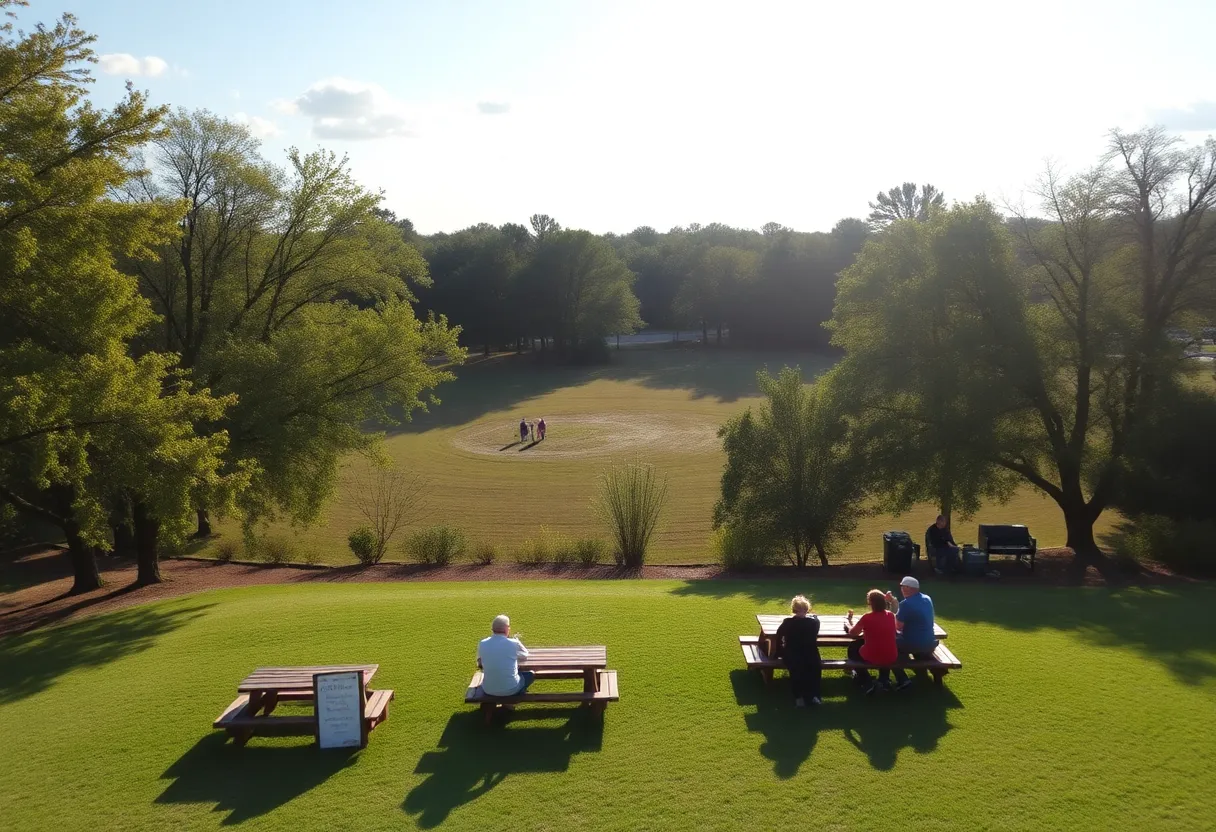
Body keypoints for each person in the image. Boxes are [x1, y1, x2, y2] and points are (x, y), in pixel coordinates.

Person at [883, 575, 938, 690]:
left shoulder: (905, 604)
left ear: (910, 588)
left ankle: (901, 679)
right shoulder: (927, 598)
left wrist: (888, 612)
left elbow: (898, 626)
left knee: (887, 647)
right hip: (930, 641)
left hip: (912, 643)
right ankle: (918, 668)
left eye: (904, 587)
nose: (902, 589)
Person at [845, 588, 898, 694]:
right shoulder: (891, 616)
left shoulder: (867, 617)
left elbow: (853, 633)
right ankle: (884, 681)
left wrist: (847, 623)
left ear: (870, 603)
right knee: (883, 648)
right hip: (891, 655)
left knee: (852, 651)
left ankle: (866, 680)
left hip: (873, 655)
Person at [773, 595, 822, 707]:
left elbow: (779, 635)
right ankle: (814, 695)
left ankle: (798, 697)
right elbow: (816, 624)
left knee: (796, 672)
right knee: (814, 671)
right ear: (807, 609)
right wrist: (815, 617)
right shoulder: (813, 623)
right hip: (810, 654)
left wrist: (779, 651)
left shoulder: (787, 622)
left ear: (794, 609)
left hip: (792, 654)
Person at [477, 614, 534, 698]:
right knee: (530, 674)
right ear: (506, 628)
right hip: (511, 689)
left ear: (492, 629)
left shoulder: (482, 643)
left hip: (488, 689)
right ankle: (516, 696)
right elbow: (525, 654)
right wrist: (517, 641)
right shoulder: (513, 643)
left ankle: (506, 704)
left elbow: (480, 663)